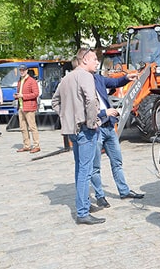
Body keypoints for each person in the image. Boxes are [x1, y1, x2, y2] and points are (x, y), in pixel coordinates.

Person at [52, 47, 105, 225]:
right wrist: (92, 122)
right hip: (84, 129)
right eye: (94, 59)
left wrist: (66, 117)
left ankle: (85, 205)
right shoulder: (85, 76)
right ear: (84, 60)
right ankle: (82, 211)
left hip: (72, 130)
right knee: (85, 170)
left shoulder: (66, 78)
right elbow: (91, 100)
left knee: (80, 169)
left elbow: (55, 101)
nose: (97, 62)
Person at [90, 67, 143, 209]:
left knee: (117, 161)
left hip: (108, 126)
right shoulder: (82, 82)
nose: (97, 63)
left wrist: (126, 78)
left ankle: (124, 191)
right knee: (95, 166)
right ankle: (100, 196)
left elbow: (114, 82)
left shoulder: (98, 78)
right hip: (96, 128)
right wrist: (103, 112)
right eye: (94, 60)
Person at [15, 64, 41, 153]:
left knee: (32, 127)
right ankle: (27, 145)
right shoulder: (20, 80)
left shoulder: (32, 81)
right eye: (20, 70)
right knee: (23, 127)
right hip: (21, 107)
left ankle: (36, 145)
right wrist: (17, 96)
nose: (22, 72)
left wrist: (23, 96)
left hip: (29, 107)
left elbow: (36, 93)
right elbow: (20, 92)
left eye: (23, 70)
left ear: (26, 71)